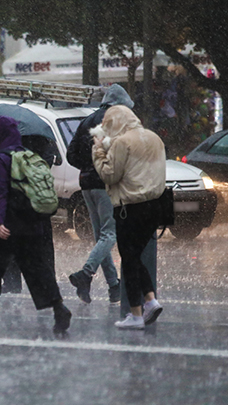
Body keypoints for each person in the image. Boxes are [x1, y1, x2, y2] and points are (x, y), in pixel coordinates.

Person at [0, 116, 71, 332]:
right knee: (38, 270)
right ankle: (60, 309)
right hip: (32, 225)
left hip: (8, 228)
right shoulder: (29, 157)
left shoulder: (1, 159)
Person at [92, 105, 165, 330]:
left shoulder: (123, 142)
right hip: (156, 206)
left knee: (129, 259)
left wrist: (98, 151)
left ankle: (136, 314)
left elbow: (109, 174)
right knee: (134, 257)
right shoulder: (155, 138)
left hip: (130, 207)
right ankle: (150, 300)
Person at [66, 84, 134, 304]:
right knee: (110, 233)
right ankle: (85, 274)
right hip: (106, 183)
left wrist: (87, 167)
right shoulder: (117, 121)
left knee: (101, 236)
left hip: (86, 184)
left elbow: (71, 154)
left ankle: (114, 286)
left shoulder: (88, 120)